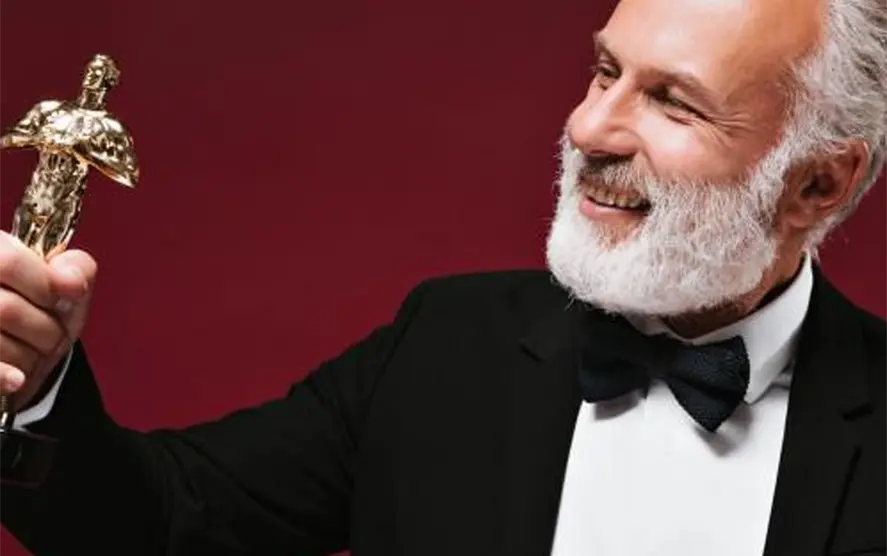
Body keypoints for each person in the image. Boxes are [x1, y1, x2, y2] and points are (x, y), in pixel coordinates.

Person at [1, 0, 887, 553]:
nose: (588, 129)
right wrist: (35, 387)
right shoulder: (446, 344)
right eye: (604, 72)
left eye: (672, 102)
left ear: (818, 183)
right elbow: (156, 522)